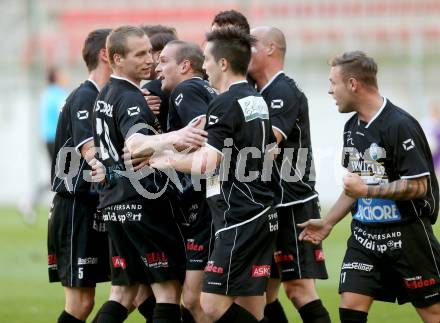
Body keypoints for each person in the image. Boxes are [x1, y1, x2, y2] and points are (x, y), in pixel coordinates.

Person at [298, 51, 440, 323]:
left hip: (407, 237)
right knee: (350, 307)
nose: (330, 90)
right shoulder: (351, 127)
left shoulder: (400, 124)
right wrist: (328, 222)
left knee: (433, 313)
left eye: (333, 83)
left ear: (353, 84)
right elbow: (355, 187)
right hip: (365, 237)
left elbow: (419, 186)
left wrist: (369, 192)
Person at [150, 27, 278, 323]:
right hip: (260, 210)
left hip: (239, 216)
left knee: (210, 304)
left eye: (207, 58)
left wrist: (162, 158)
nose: (203, 65)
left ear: (222, 63)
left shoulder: (224, 102)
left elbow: (208, 163)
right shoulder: (256, 99)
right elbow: (268, 152)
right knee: (251, 306)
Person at [91, 25, 207, 323]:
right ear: (117, 59)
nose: (150, 61)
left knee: (122, 294)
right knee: (167, 292)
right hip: (142, 203)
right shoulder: (130, 97)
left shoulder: (106, 93)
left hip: (113, 203)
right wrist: (175, 135)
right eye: (140, 54)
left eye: (150, 53)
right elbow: (135, 144)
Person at [248, 26, 330, 323]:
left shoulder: (282, 90)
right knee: (262, 293)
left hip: (291, 204)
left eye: (252, 44)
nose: (245, 51)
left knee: (298, 289)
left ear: (271, 48)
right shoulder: (257, 91)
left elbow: (265, 142)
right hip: (268, 204)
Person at [47, 28, 112, 323]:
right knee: (81, 303)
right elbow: (92, 152)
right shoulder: (85, 97)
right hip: (76, 208)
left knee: (129, 292)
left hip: (92, 205)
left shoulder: (100, 97)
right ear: (105, 55)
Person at [155, 40, 217, 323]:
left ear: (185, 66)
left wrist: (161, 151)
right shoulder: (206, 89)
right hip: (211, 201)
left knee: (194, 300)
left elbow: (203, 133)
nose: (158, 68)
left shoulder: (186, 89)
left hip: (205, 203)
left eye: (164, 61)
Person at [140, 25, 178, 131]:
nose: (140, 60)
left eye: (143, 52)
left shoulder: (151, 90)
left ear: (159, 56)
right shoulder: (188, 84)